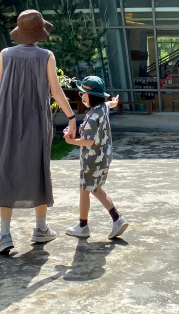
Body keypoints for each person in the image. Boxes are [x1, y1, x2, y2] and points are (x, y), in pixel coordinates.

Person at [0, 9, 77, 255]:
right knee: (38, 169)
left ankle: (4, 234)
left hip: (6, 122)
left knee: (4, 169)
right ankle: (40, 229)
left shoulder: (5, 54)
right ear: (39, 33)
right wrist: (71, 117)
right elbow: (56, 91)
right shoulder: (46, 56)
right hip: (36, 122)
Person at [63, 76, 129, 240]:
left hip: (92, 159)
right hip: (104, 157)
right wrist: (114, 101)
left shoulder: (93, 116)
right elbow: (110, 104)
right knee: (95, 189)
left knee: (86, 189)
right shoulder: (102, 107)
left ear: (90, 96)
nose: (82, 97)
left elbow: (89, 141)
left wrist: (69, 140)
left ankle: (83, 226)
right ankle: (117, 219)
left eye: (83, 94)